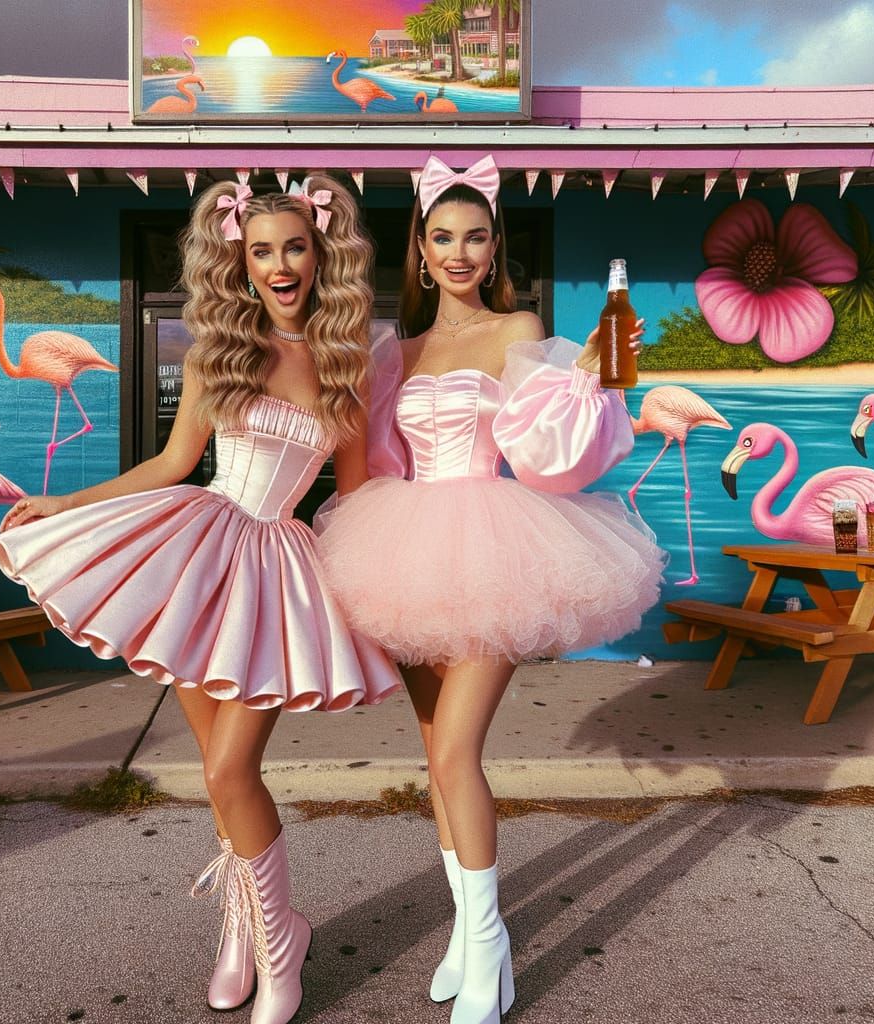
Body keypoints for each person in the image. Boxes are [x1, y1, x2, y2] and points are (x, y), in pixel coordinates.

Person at [0, 175, 402, 1024]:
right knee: (219, 777)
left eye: (295, 247)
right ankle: (244, 931)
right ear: (241, 263)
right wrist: (68, 502)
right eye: (262, 251)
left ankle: (282, 945)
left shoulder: (344, 365)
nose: (280, 265)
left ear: (319, 256)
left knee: (227, 769)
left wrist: (382, 583)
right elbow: (173, 465)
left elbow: (355, 496)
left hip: (277, 568)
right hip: (199, 557)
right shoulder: (221, 350)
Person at [316, 155, 665, 1024]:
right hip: (403, 550)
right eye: (443, 237)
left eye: (475, 237)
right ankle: (468, 942)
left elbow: (549, 449)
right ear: (421, 249)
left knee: (455, 755)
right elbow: (370, 463)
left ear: (494, 245)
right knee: (433, 753)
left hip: (493, 549)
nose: (459, 252)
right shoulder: (394, 350)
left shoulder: (519, 328)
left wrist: (591, 377)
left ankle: (490, 940)